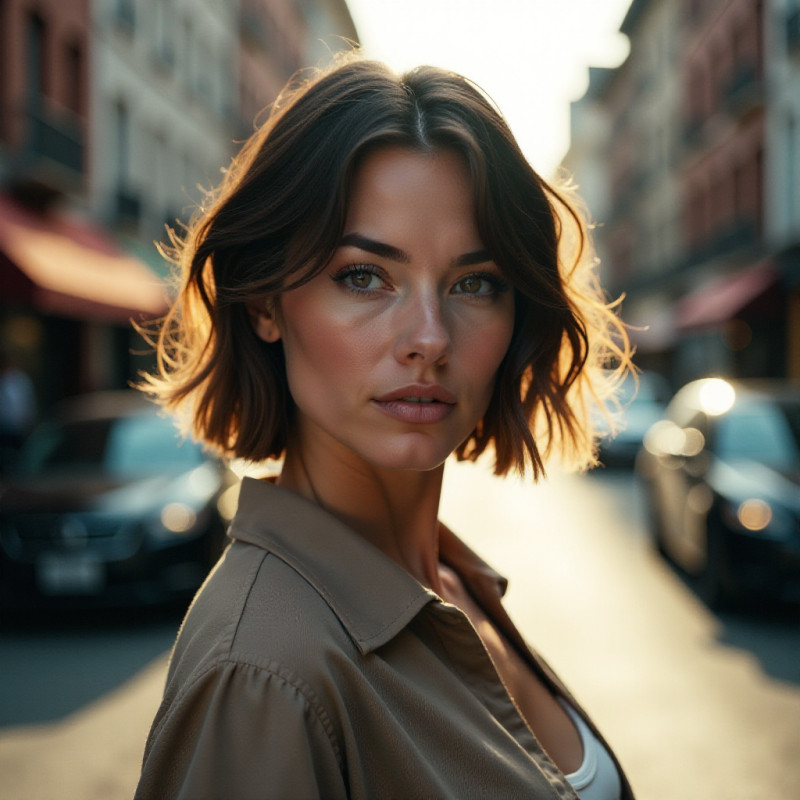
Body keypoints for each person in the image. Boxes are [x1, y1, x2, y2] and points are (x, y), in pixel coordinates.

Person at [135, 54, 634, 800]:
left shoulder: (456, 585)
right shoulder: (262, 676)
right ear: (267, 305)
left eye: (475, 283)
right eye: (364, 276)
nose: (429, 337)